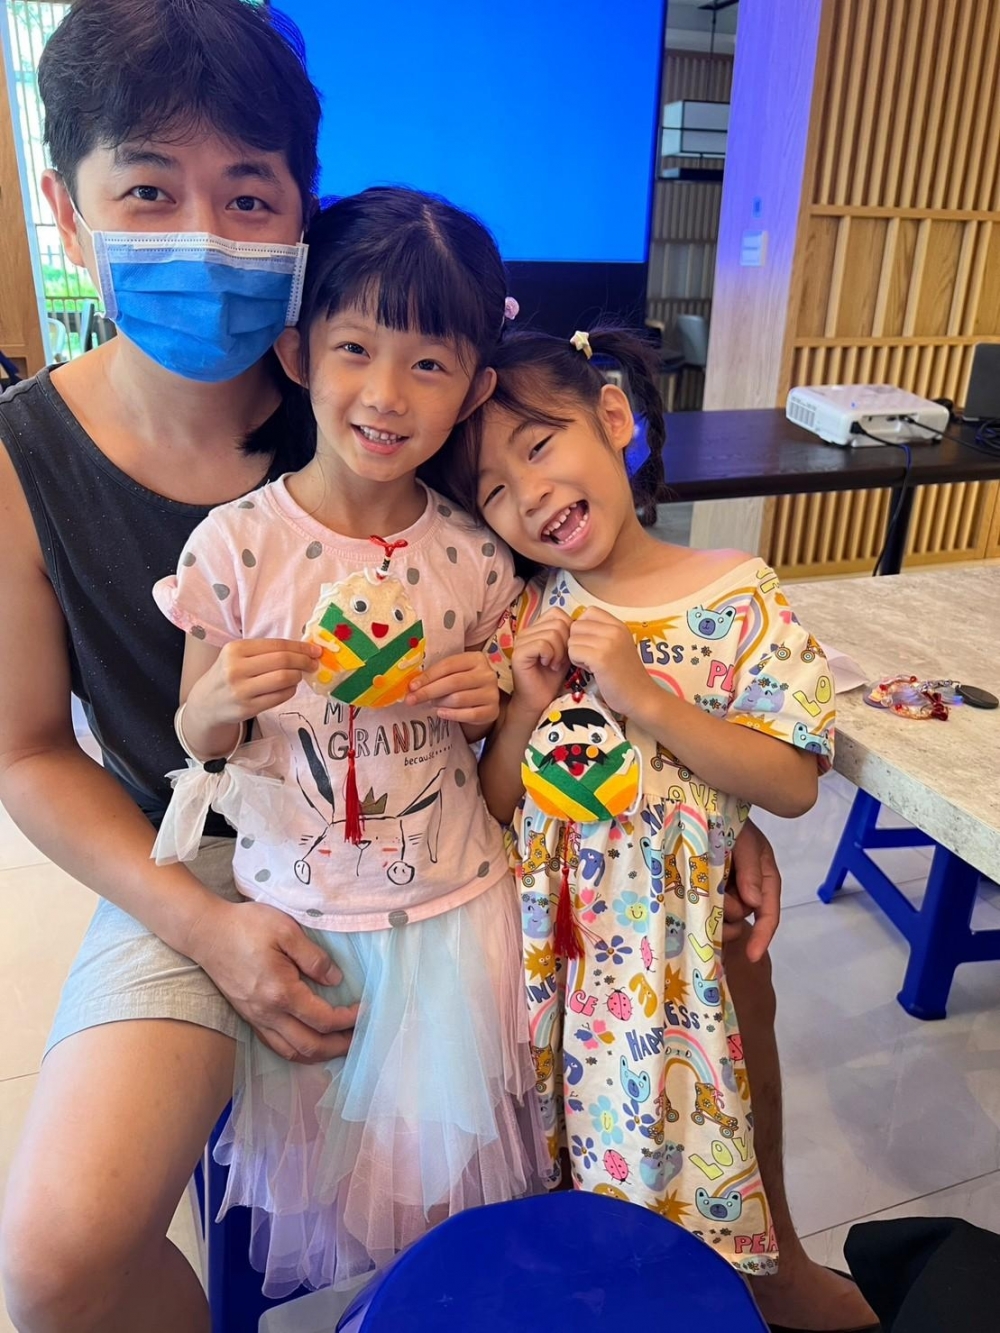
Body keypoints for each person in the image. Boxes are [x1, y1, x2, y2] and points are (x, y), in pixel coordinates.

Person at [0, 1, 878, 1329]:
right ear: (69, 210)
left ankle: (762, 1263)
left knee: (678, 983)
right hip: (191, 856)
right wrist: (198, 921)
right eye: (149, 191)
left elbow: (564, 615)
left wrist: (714, 791)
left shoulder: (406, 413)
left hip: (445, 843)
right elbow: (26, 750)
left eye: (248, 197)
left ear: (303, 220)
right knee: (55, 1258)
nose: (204, 236)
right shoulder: (45, 458)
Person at [148, 186, 547, 1296]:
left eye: (429, 364)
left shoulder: (474, 556)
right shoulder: (235, 546)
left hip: (455, 914)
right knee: (332, 1178)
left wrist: (489, 699)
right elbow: (194, 737)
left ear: (473, 389)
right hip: (304, 919)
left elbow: (495, 766)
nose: (386, 393)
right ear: (297, 353)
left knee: (442, 1190)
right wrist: (221, 694)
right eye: (356, 348)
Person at [437, 328, 875, 1332]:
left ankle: (767, 1271)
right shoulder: (531, 613)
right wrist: (525, 702)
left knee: (721, 1112)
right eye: (493, 491)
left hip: (693, 942)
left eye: (538, 446)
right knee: (574, 1143)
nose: (528, 496)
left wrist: (644, 695)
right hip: (562, 955)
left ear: (613, 417)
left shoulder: (735, 589)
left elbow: (792, 781)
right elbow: (500, 801)